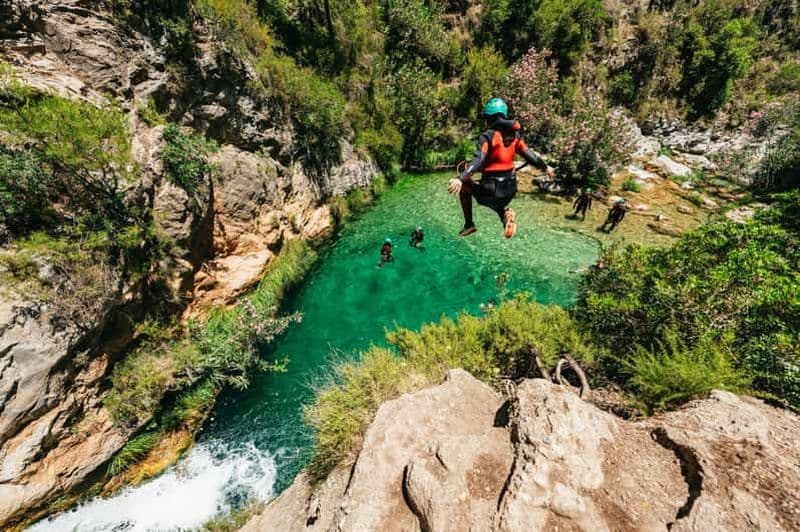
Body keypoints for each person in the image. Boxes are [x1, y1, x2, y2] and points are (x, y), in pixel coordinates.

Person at [448, 98, 555, 239]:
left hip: (492, 189)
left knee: (467, 187)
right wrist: (545, 167)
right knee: (493, 200)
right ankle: (505, 217)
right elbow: (530, 155)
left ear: (488, 118)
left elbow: (479, 159)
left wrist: (461, 178)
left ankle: (469, 224)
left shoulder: (487, 136)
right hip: (510, 189)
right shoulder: (515, 136)